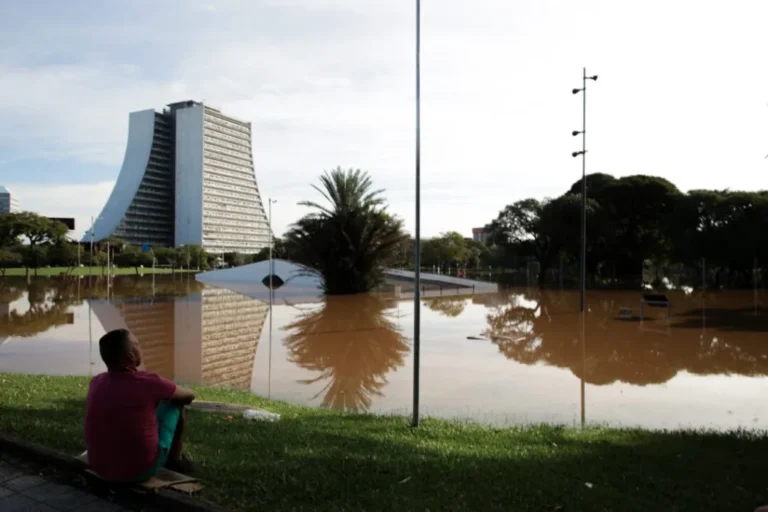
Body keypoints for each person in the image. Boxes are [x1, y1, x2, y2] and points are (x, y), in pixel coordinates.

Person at [85, 328, 195, 482]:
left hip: (99, 467)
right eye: (137, 345)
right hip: (138, 471)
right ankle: (174, 460)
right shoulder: (148, 382)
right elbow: (189, 396)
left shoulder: (96, 382)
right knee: (175, 403)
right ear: (130, 355)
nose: (140, 348)